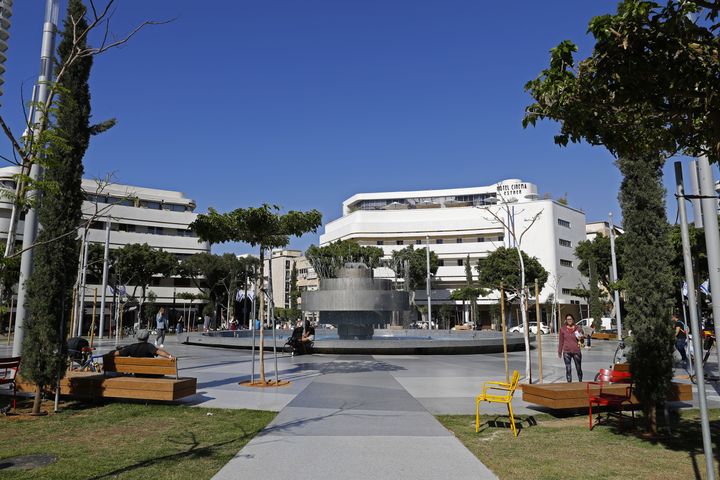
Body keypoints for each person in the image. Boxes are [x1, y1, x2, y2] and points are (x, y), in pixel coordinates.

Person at [558, 313, 583, 382]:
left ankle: (580, 382)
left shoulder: (578, 328)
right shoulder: (562, 329)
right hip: (566, 352)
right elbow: (561, 341)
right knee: (568, 368)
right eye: (568, 319)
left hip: (576, 351)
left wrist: (581, 338)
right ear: (566, 320)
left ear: (573, 320)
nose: (569, 320)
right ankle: (569, 384)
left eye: (570, 319)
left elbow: (582, 341)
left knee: (578, 368)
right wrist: (559, 351)